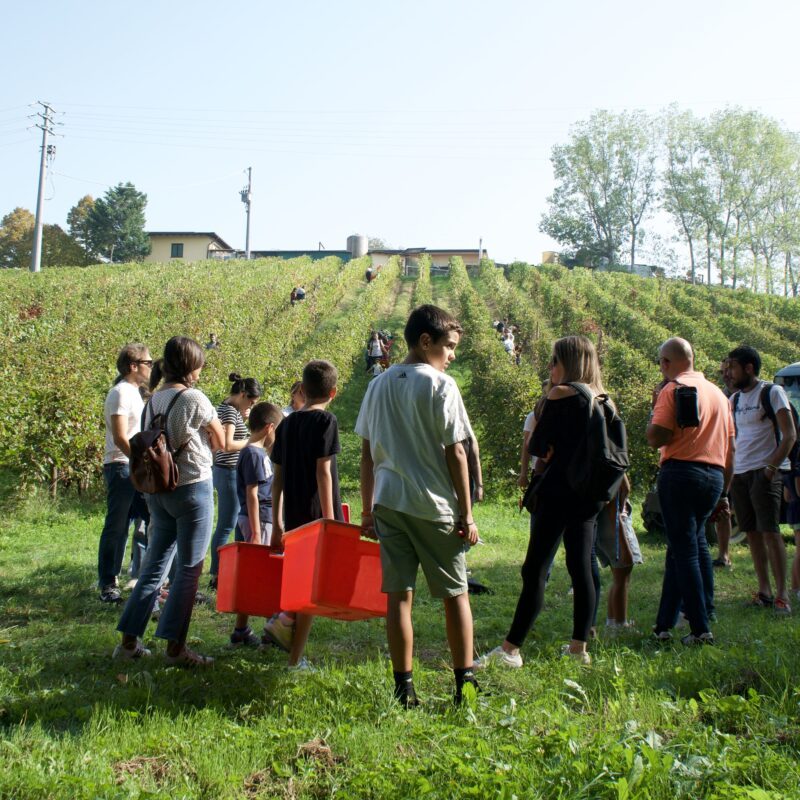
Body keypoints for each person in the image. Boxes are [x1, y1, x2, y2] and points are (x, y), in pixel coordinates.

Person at [357, 304, 479, 707]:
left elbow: (366, 453)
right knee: (455, 593)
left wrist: (367, 509)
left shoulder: (377, 385)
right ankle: (465, 684)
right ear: (426, 342)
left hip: (389, 502)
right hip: (433, 506)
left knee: (399, 596)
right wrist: (466, 512)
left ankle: (403, 687)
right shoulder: (441, 386)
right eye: (449, 347)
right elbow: (456, 453)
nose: (452, 355)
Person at [477, 336, 611, 668]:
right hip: (590, 494)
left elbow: (538, 444)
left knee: (534, 569)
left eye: (554, 361)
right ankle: (579, 648)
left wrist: (550, 447)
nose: (550, 367)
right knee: (581, 568)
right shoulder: (604, 399)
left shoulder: (561, 394)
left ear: (569, 363)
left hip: (559, 491)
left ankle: (510, 650)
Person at [114, 336, 225, 664]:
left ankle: (129, 643)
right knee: (190, 568)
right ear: (192, 366)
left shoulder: (153, 399)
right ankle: (176, 648)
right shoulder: (195, 398)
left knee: (153, 567)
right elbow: (219, 441)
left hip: (159, 491)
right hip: (192, 487)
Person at [648, 337, 734, 645]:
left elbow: (656, 437)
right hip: (713, 475)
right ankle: (664, 625)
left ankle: (699, 628)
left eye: (662, 363)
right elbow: (731, 447)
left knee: (684, 551)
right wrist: (725, 490)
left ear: (667, 363)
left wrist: (655, 407)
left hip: (681, 472)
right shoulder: (719, 395)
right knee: (687, 545)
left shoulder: (673, 390)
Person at [266, 359, 345, 669]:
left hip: (294, 512)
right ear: (334, 392)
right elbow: (323, 472)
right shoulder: (326, 422)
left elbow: (278, 476)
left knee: (302, 580)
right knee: (312, 589)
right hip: (316, 513)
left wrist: (277, 521)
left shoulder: (287, 423)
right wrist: (329, 520)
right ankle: (292, 649)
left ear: (302, 389)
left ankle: (286, 625)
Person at [727, 345, 797, 614]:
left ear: (749, 368)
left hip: (765, 472)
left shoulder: (772, 392)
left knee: (770, 532)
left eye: (733, 367)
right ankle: (764, 591)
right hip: (742, 474)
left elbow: (789, 435)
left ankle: (782, 596)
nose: (729, 373)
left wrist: (770, 469)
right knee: (752, 534)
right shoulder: (734, 400)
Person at [98, 344, 153, 603]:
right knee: (117, 526)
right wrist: (138, 462)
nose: (151, 367)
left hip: (132, 465)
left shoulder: (134, 393)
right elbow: (121, 436)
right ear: (133, 365)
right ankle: (108, 584)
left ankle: (152, 579)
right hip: (121, 466)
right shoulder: (120, 392)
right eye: (148, 362)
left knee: (153, 520)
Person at [228, 402, 284, 647]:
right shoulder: (253, 453)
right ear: (269, 428)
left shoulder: (258, 453)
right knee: (264, 574)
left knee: (253, 574)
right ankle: (272, 629)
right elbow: (252, 493)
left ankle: (241, 630)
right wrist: (257, 533)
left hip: (261, 518)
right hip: (259, 519)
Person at [208, 373, 263, 590]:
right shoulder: (230, 412)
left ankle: (232, 568)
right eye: (250, 401)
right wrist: (253, 440)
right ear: (242, 395)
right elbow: (227, 445)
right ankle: (216, 574)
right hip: (228, 470)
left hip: (231, 471)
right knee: (227, 523)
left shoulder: (228, 409)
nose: (250, 405)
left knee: (236, 520)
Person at [593, 475, 642, 632]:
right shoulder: (613, 473)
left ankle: (612, 621)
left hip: (606, 525)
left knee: (618, 578)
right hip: (615, 526)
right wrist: (624, 544)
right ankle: (620, 624)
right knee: (622, 577)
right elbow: (615, 509)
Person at [712, 359, 735, 568]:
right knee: (723, 508)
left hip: (742, 460)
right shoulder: (721, 395)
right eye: (723, 372)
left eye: (729, 370)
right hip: (724, 459)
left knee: (725, 505)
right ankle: (723, 555)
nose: (726, 375)